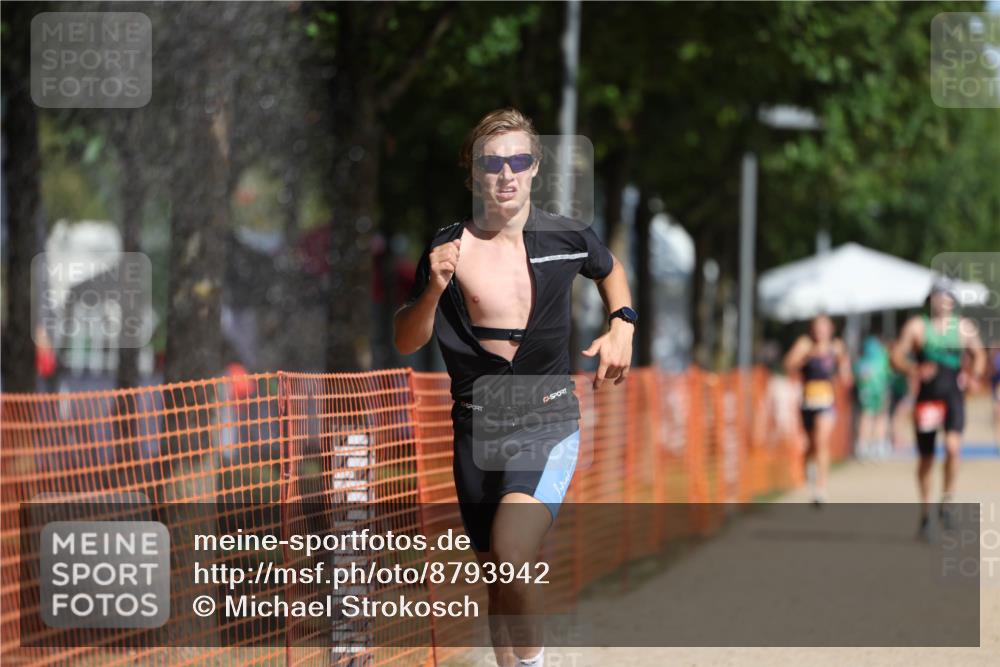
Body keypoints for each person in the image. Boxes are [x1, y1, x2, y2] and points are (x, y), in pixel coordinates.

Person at [394, 108, 635, 667]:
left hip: (546, 418)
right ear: (472, 171)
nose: (506, 174)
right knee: (497, 580)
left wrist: (622, 323)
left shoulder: (566, 236)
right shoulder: (448, 247)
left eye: (518, 160)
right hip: (476, 426)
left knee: (511, 554)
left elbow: (610, 269)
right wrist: (431, 290)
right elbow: (406, 339)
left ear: (535, 168)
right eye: (492, 163)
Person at [891, 279, 986, 540]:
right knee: (927, 458)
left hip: (953, 396)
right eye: (938, 295)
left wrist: (974, 376)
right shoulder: (917, 327)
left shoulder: (963, 327)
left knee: (953, 449)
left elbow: (979, 355)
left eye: (947, 296)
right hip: (928, 399)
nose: (943, 300)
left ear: (953, 301)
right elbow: (896, 356)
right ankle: (925, 514)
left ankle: (947, 502)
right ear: (930, 300)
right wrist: (913, 368)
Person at [783, 315, 853, 506]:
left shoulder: (836, 346)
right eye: (817, 327)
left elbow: (845, 371)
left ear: (831, 329)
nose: (821, 331)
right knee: (811, 444)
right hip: (808, 401)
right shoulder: (805, 344)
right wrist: (807, 356)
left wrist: (845, 371)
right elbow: (788, 364)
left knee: (822, 441)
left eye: (824, 327)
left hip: (827, 402)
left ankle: (821, 488)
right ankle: (809, 466)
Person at [853, 335, 891, 460]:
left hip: (866, 392)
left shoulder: (862, 361)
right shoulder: (883, 357)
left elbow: (859, 377)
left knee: (867, 416)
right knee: (879, 417)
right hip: (879, 391)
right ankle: (876, 444)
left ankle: (864, 445)